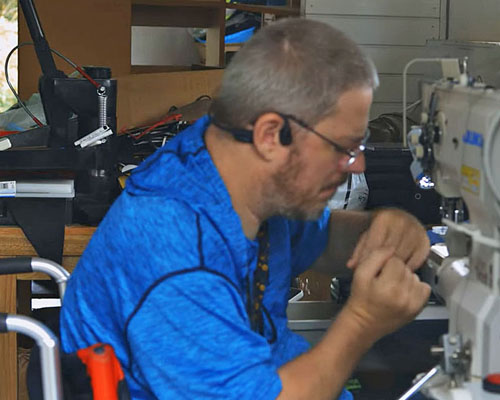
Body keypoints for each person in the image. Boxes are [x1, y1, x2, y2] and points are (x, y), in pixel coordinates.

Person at [60, 18, 431, 400]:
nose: (358, 166)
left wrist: (383, 227)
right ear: (271, 135)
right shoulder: (176, 255)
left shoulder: (227, 162)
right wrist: (362, 321)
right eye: (343, 148)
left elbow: (320, 239)